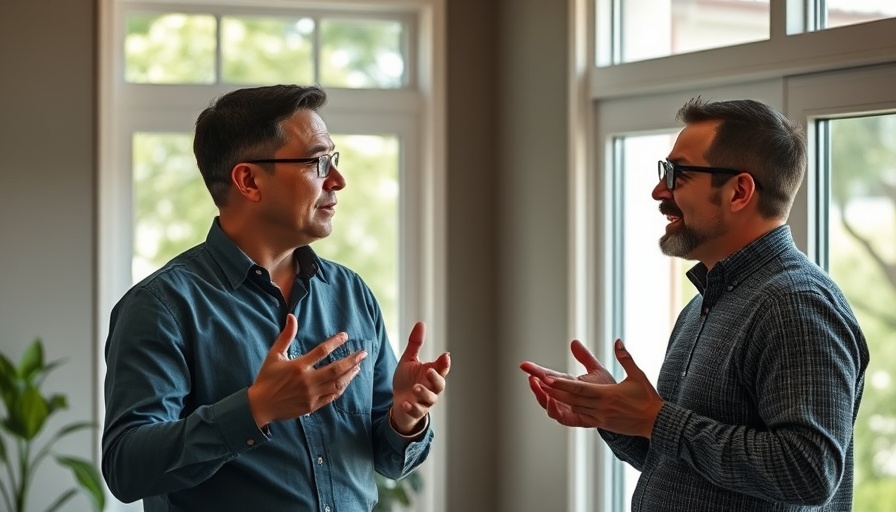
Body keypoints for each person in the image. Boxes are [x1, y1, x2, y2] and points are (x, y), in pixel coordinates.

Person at [102, 84, 451, 512]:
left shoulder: (352, 293)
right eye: (318, 162)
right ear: (249, 180)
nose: (338, 180)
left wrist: (404, 418)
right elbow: (126, 467)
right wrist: (254, 409)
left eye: (334, 160)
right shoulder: (162, 306)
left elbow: (388, 459)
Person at [520, 97, 869, 511]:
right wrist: (614, 414)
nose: (658, 190)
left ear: (739, 191)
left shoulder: (795, 304)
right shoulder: (705, 302)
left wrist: (655, 418)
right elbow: (681, 466)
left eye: (677, 173)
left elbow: (808, 471)